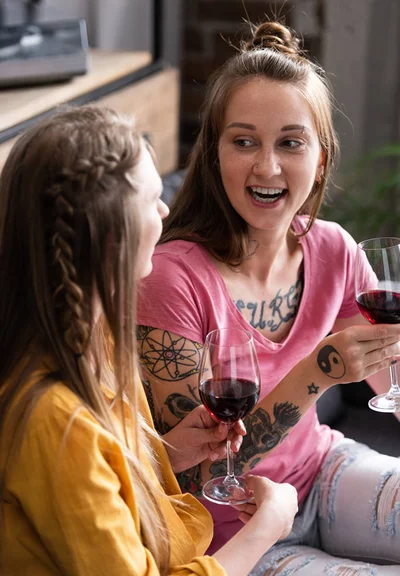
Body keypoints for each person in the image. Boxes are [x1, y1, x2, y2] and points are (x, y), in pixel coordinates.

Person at [136, 21, 400, 574]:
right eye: (244, 141)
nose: (267, 166)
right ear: (213, 155)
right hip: (233, 534)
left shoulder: (332, 247)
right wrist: (320, 370)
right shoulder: (169, 279)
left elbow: (386, 380)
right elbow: (199, 473)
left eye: (290, 142)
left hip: (325, 469)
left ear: (321, 158)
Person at [0, 105, 299, 576]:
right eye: (153, 198)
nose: (165, 211)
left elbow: (102, 478)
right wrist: (265, 528)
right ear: (111, 235)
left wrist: (169, 449)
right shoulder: (55, 423)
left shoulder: (98, 339)